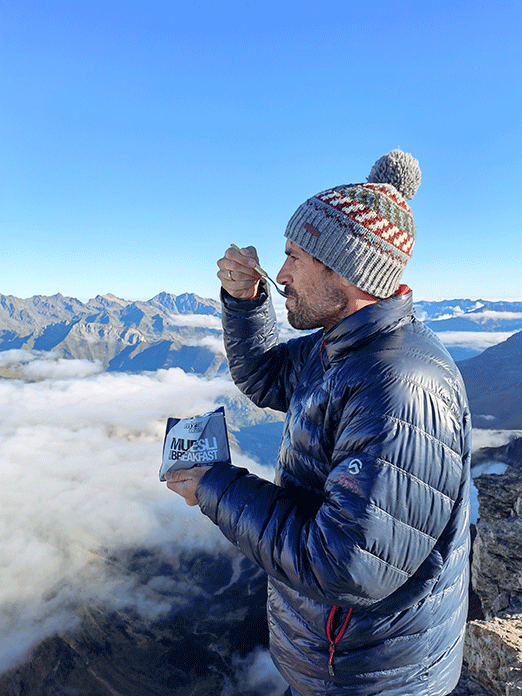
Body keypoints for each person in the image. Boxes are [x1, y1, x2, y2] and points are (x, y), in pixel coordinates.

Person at [165, 149, 472, 696]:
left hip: (374, 678)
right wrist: (246, 302)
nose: (280, 274)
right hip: (337, 661)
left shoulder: (397, 387)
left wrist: (215, 485)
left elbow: (342, 565)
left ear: (345, 270)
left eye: (294, 257)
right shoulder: (341, 347)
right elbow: (264, 377)